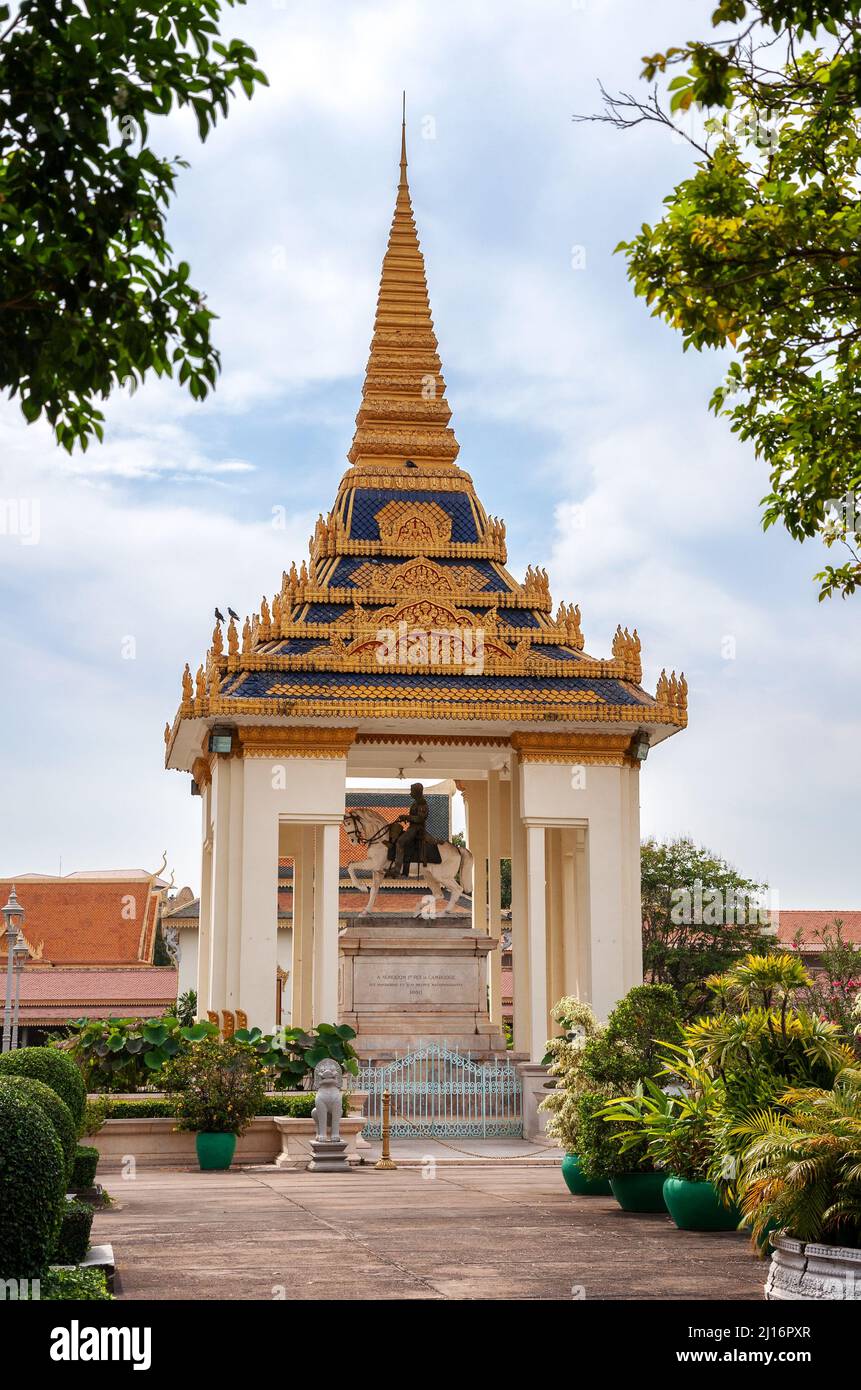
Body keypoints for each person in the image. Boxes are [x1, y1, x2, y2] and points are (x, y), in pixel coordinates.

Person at [387, 782, 429, 878]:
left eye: (412, 791)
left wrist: (407, 817)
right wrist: (406, 818)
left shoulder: (422, 803)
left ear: (417, 792)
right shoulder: (415, 803)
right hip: (411, 827)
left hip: (417, 828)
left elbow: (420, 818)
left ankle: (397, 870)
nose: (411, 793)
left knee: (400, 842)